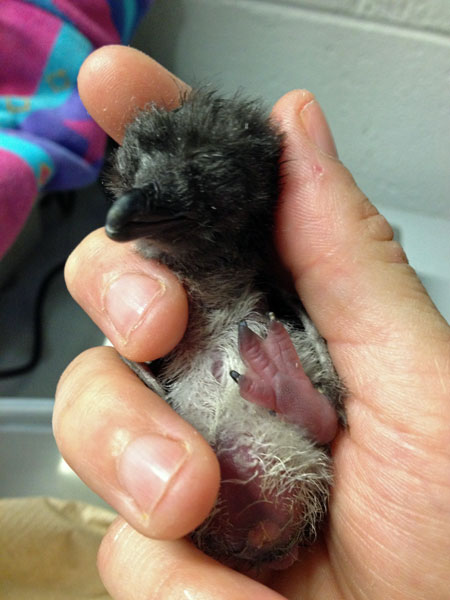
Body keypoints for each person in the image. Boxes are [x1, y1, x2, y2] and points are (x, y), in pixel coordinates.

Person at [53, 45, 450, 599]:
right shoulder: (161, 307)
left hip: (281, 503)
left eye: (204, 197)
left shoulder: (281, 295)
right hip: (238, 520)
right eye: (140, 186)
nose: (132, 212)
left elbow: (330, 422)